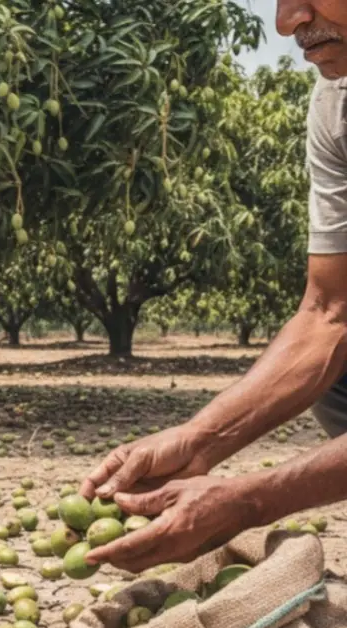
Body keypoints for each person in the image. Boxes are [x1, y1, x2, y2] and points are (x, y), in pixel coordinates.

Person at [81, 0, 347, 573]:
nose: (289, 22)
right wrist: (201, 439)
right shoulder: (336, 106)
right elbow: (330, 309)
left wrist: (252, 499)